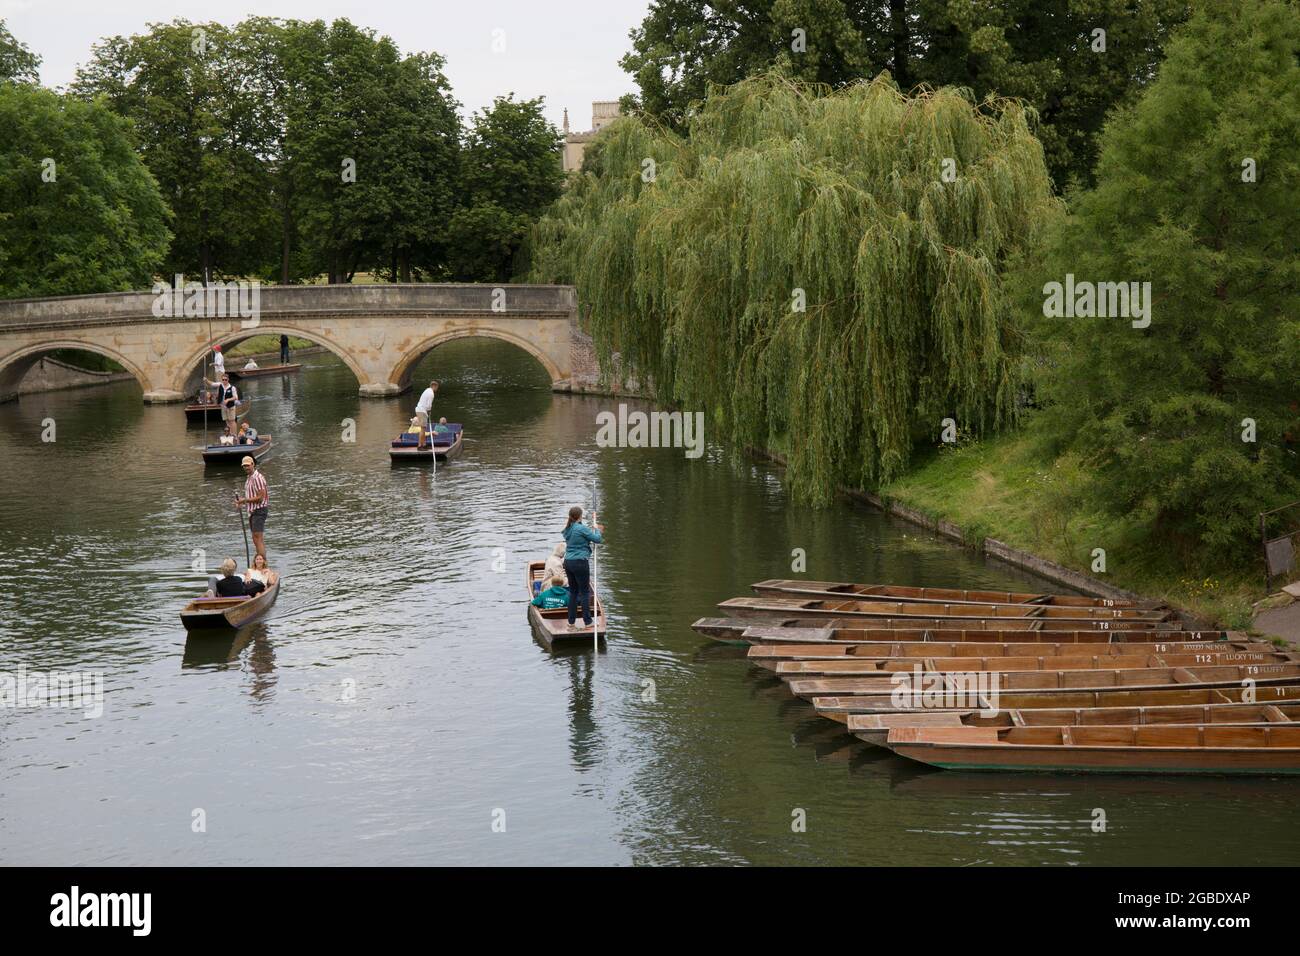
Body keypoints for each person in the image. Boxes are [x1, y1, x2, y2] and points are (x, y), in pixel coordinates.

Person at [561, 506, 604, 631]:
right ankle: (588, 622)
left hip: (568, 562)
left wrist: (591, 530)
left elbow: (579, 536)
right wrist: (598, 530)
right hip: (579, 562)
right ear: (580, 516)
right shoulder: (581, 528)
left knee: (573, 592)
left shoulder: (567, 529)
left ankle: (571, 623)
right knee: (585, 592)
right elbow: (597, 539)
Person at [236, 455, 269, 561]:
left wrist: (244, 500)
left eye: (248, 465)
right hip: (253, 511)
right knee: (256, 539)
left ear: (253, 464)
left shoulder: (257, 478)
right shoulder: (249, 478)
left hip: (259, 510)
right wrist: (242, 503)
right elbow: (251, 496)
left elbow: (260, 498)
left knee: (257, 538)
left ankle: (262, 564)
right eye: (244, 466)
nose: (246, 468)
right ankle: (261, 561)